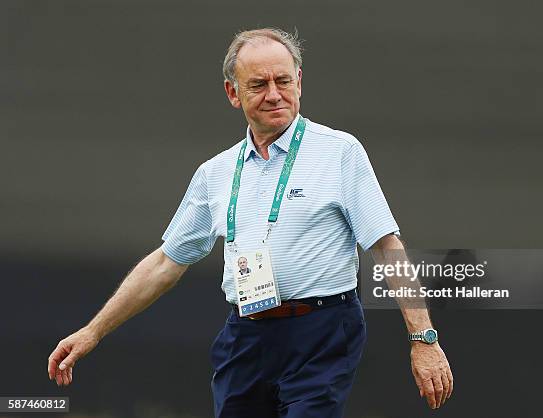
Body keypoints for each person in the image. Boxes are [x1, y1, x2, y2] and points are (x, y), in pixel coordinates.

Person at [48, 27, 453, 417]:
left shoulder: (339, 152)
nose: (274, 95)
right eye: (258, 84)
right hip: (246, 334)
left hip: (322, 330)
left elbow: (387, 246)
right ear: (233, 93)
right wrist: (93, 331)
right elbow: (165, 263)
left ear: (300, 82)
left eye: (283, 81)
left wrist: (423, 339)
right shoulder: (216, 172)